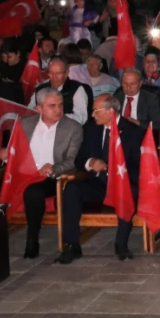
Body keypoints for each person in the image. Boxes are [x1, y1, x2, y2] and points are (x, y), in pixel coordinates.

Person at [56, 95, 143, 264]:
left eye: (96, 111)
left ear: (111, 111)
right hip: (98, 182)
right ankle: (72, 244)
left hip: (123, 183)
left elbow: (140, 165)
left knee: (130, 192)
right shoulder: (92, 129)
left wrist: (113, 168)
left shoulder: (133, 131)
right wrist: (91, 162)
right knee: (71, 188)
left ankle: (121, 244)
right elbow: (79, 159)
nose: (92, 115)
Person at [0, 88, 83, 259]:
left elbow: (72, 160)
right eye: (52, 106)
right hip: (22, 174)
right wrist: (5, 155)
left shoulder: (73, 128)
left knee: (34, 192)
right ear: (39, 108)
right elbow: (13, 152)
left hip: (50, 177)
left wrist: (54, 168)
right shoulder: (24, 124)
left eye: (60, 105)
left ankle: (32, 240)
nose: (58, 110)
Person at [31, 58, 91, 127]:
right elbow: (29, 109)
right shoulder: (41, 88)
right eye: (51, 73)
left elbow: (81, 117)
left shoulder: (76, 88)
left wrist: (57, 117)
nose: (54, 77)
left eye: (58, 73)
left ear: (66, 73)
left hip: (66, 129)